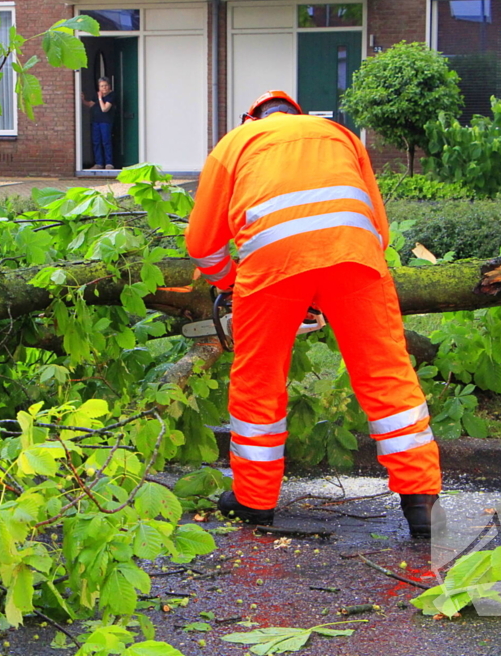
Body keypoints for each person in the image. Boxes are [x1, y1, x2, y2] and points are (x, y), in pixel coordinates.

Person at [184, 90, 443, 538]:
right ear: (298, 115)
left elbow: (203, 246)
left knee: (258, 380)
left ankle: (254, 500)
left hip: (270, 269)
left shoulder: (235, 144)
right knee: (387, 372)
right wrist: (323, 291)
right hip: (356, 260)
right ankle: (422, 502)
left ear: (253, 119)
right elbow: (377, 230)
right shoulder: (338, 134)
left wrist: (230, 282)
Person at [82, 77, 116, 170]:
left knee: (106, 142)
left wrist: (100, 98)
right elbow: (90, 104)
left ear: (109, 86)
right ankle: (99, 163)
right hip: (96, 121)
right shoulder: (96, 96)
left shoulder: (111, 96)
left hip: (106, 122)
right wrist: (82, 100)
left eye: (105, 86)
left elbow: (104, 109)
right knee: (96, 142)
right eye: (101, 86)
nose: (104, 88)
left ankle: (109, 163)